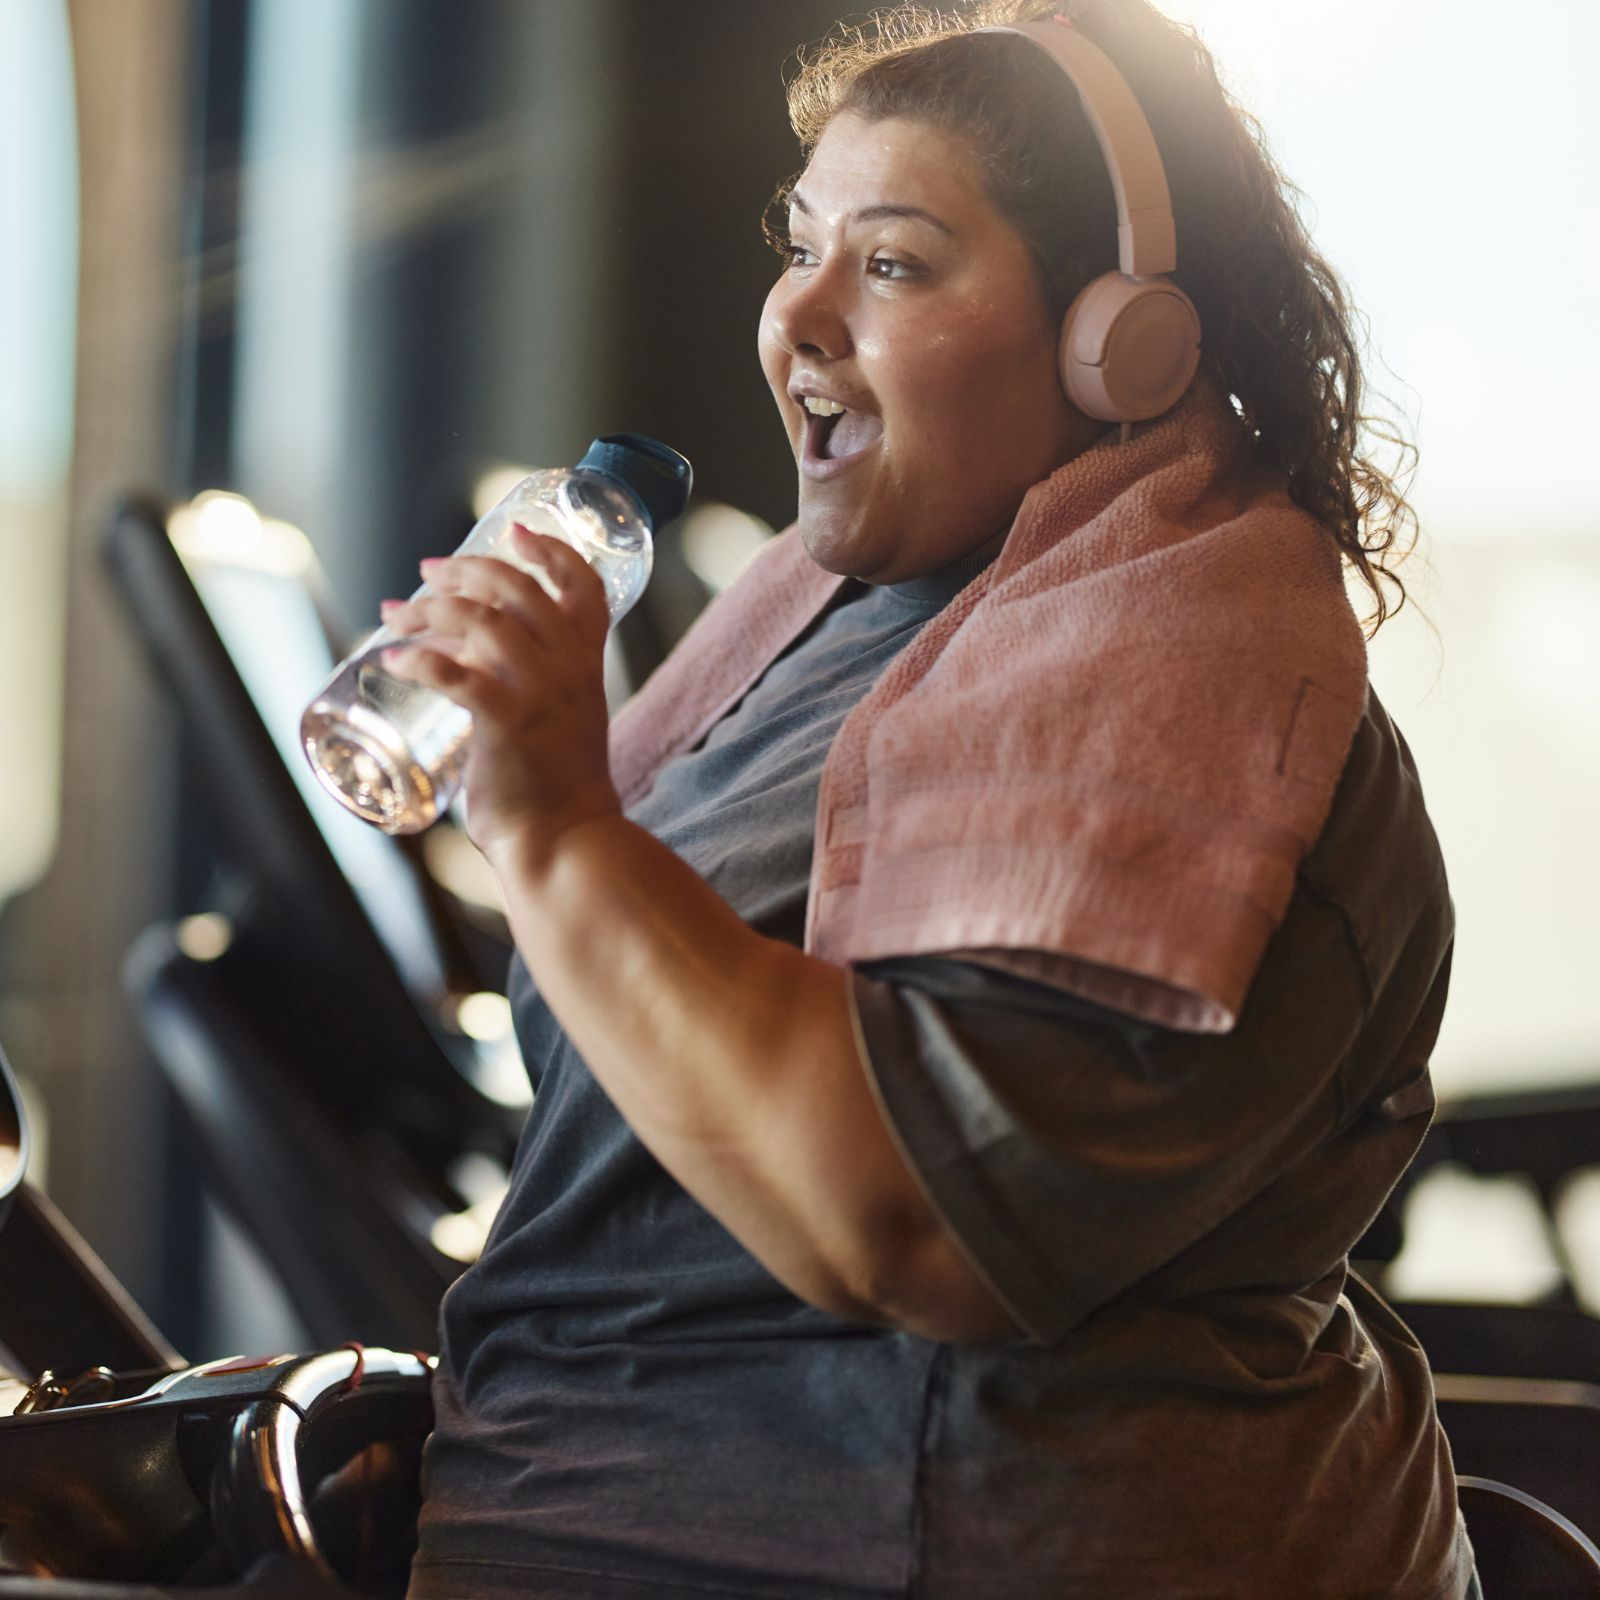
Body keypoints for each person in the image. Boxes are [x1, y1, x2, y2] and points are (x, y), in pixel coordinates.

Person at [388, 2, 1473, 1596]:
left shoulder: (1173, 677)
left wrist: (551, 824)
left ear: (1119, 339)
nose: (797, 319)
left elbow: (912, 1223)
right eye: (802, 243)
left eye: (891, 264)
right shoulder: (873, 621)